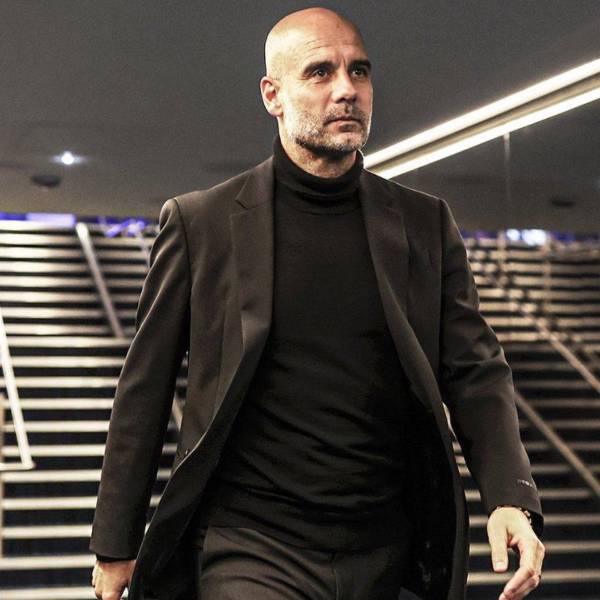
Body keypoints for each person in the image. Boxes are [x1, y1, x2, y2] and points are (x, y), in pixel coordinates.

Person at [90, 7, 545, 600]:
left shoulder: (424, 224)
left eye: (359, 71)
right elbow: (145, 389)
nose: (346, 89)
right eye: (320, 72)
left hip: (389, 547)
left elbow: (475, 371)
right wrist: (116, 542)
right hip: (250, 544)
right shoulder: (202, 223)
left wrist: (510, 497)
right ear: (272, 95)